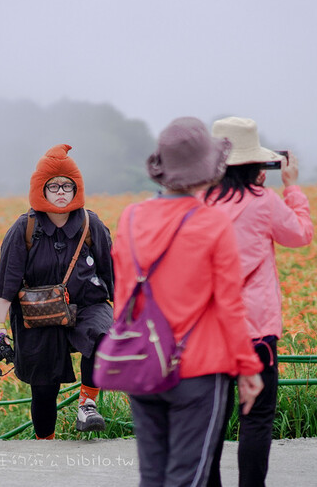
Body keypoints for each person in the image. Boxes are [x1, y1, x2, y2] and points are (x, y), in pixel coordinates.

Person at [111, 117, 264, 487]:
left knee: (153, 476)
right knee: (187, 478)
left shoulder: (131, 218)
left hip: (143, 365)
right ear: (208, 170)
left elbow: (122, 297)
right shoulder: (213, 224)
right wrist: (247, 368)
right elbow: (230, 305)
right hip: (198, 372)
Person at [201, 117, 314, 487]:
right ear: (257, 164)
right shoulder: (264, 201)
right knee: (257, 418)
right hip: (256, 331)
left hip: (210, 329)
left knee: (213, 419)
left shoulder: (198, 203)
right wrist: (292, 187)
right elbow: (300, 234)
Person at [0, 144, 115, 439]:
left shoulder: (90, 223)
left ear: (76, 189)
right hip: (38, 313)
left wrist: (123, 314)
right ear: (41, 190)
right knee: (44, 388)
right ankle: (45, 443)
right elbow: (6, 282)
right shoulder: (25, 228)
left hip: (86, 304)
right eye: (53, 185)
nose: (60, 191)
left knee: (103, 335)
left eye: (67, 186)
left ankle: (87, 404)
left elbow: (112, 274)